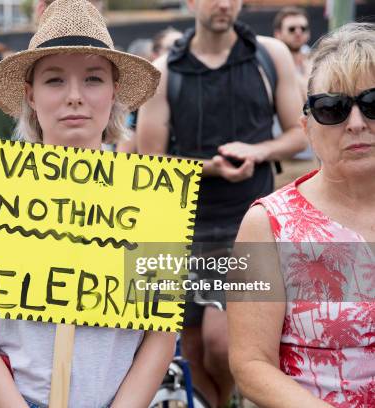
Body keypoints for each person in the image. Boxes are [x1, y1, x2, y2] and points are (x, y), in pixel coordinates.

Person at [0, 1, 175, 407]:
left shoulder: (150, 202)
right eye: (55, 80)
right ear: (30, 94)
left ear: (114, 91)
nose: (75, 97)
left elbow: (160, 336)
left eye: (93, 79)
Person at [136, 0, 307, 406]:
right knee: (191, 354)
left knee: (220, 342)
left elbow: (299, 134)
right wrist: (209, 168)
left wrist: (258, 151)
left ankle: (229, 395)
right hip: (182, 227)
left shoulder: (270, 54)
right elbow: (149, 160)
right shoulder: (164, 70)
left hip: (250, 223)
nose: (224, 4)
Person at [228, 22, 375, 408]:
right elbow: (250, 363)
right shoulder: (266, 224)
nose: (357, 124)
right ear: (307, 127)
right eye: (333, 109)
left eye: (373, 103)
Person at [273, 6, 318, 187]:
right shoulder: (271, 62)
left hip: (312, 157)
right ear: (278, 34)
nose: (298, 33)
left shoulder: (316, 61)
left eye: (303, 28)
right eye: (292, 29)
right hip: (280, 160)